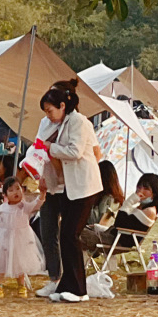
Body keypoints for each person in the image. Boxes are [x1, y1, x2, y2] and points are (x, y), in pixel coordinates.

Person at [34, 80, 100, 303]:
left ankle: (80, 290)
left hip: (84, 185)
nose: (48, 115)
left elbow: (75, 151)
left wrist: (49, 147)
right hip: (70, 188)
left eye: (50, 110)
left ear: (63, 105)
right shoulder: (60, 123)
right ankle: (68, 284)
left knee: (70, 234)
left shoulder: (79, 122)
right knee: (66, 235)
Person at [0, 171, 48, 285]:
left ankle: (21, 285)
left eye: (17, 188)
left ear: (22, 190)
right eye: (11, 190)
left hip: (20, 240)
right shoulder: (3, 208)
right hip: (3, 239)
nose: (15, 192)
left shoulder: (24, 207)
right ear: (5, 195)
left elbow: (37, 204)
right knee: (0, 263)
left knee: (19, 263)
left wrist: (42, 194)